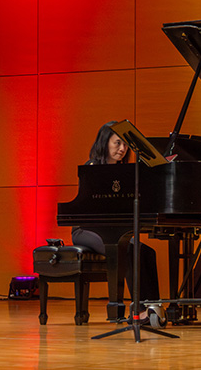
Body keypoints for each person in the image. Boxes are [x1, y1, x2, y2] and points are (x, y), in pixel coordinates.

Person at [71, 121, 162, 309]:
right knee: (128, 250)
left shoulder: (123, 174)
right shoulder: (92, 168)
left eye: (125, 145)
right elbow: (90, 208)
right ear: (104, 143)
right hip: (86, 230)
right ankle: (138, 309)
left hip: (109, 229)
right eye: (117, 143)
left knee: (146, 252)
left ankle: (153, 306)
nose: (122, 149)